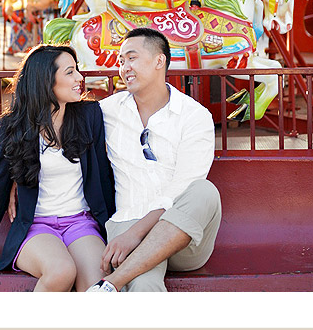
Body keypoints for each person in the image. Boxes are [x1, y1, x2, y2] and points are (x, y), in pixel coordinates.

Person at [0, 45, 115, 291]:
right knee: (61, 271)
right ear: (46, 80)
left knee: (97, 284)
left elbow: (104, 177)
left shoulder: (90, 115)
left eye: (77, 71)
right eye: (70, 72)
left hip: (81, 223)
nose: (79, 78)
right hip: (36, 225)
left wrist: (117, 232)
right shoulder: (13, 126)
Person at [87, 27, 222, 292]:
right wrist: (15, 176)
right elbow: (54, 129)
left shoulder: (194, 116)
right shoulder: (107, 111)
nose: (124, 67)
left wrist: (136, 233)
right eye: (121, 61)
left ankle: (108, 285)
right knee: (144, 284)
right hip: (126, 223)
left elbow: (183, 186)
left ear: (159, 61)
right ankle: (114, 285)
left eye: (132, 58)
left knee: (205, 191)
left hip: (184, 240)